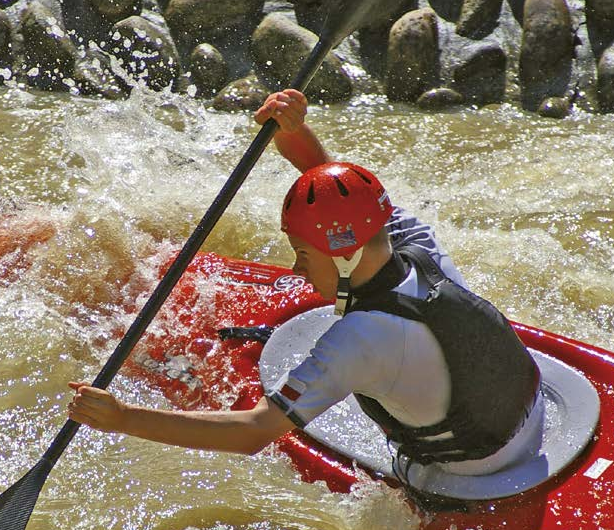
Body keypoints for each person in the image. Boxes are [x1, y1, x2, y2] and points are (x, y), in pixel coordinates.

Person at [68, 90, 543, 503]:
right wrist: (291, 131)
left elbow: (255, 432)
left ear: (343, 257)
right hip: (533, 414)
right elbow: (332, 183)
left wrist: (123, 417)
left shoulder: (358, 339)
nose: (295, 267)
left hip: (471, 472)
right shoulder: (415, 242)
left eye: (302, 253)